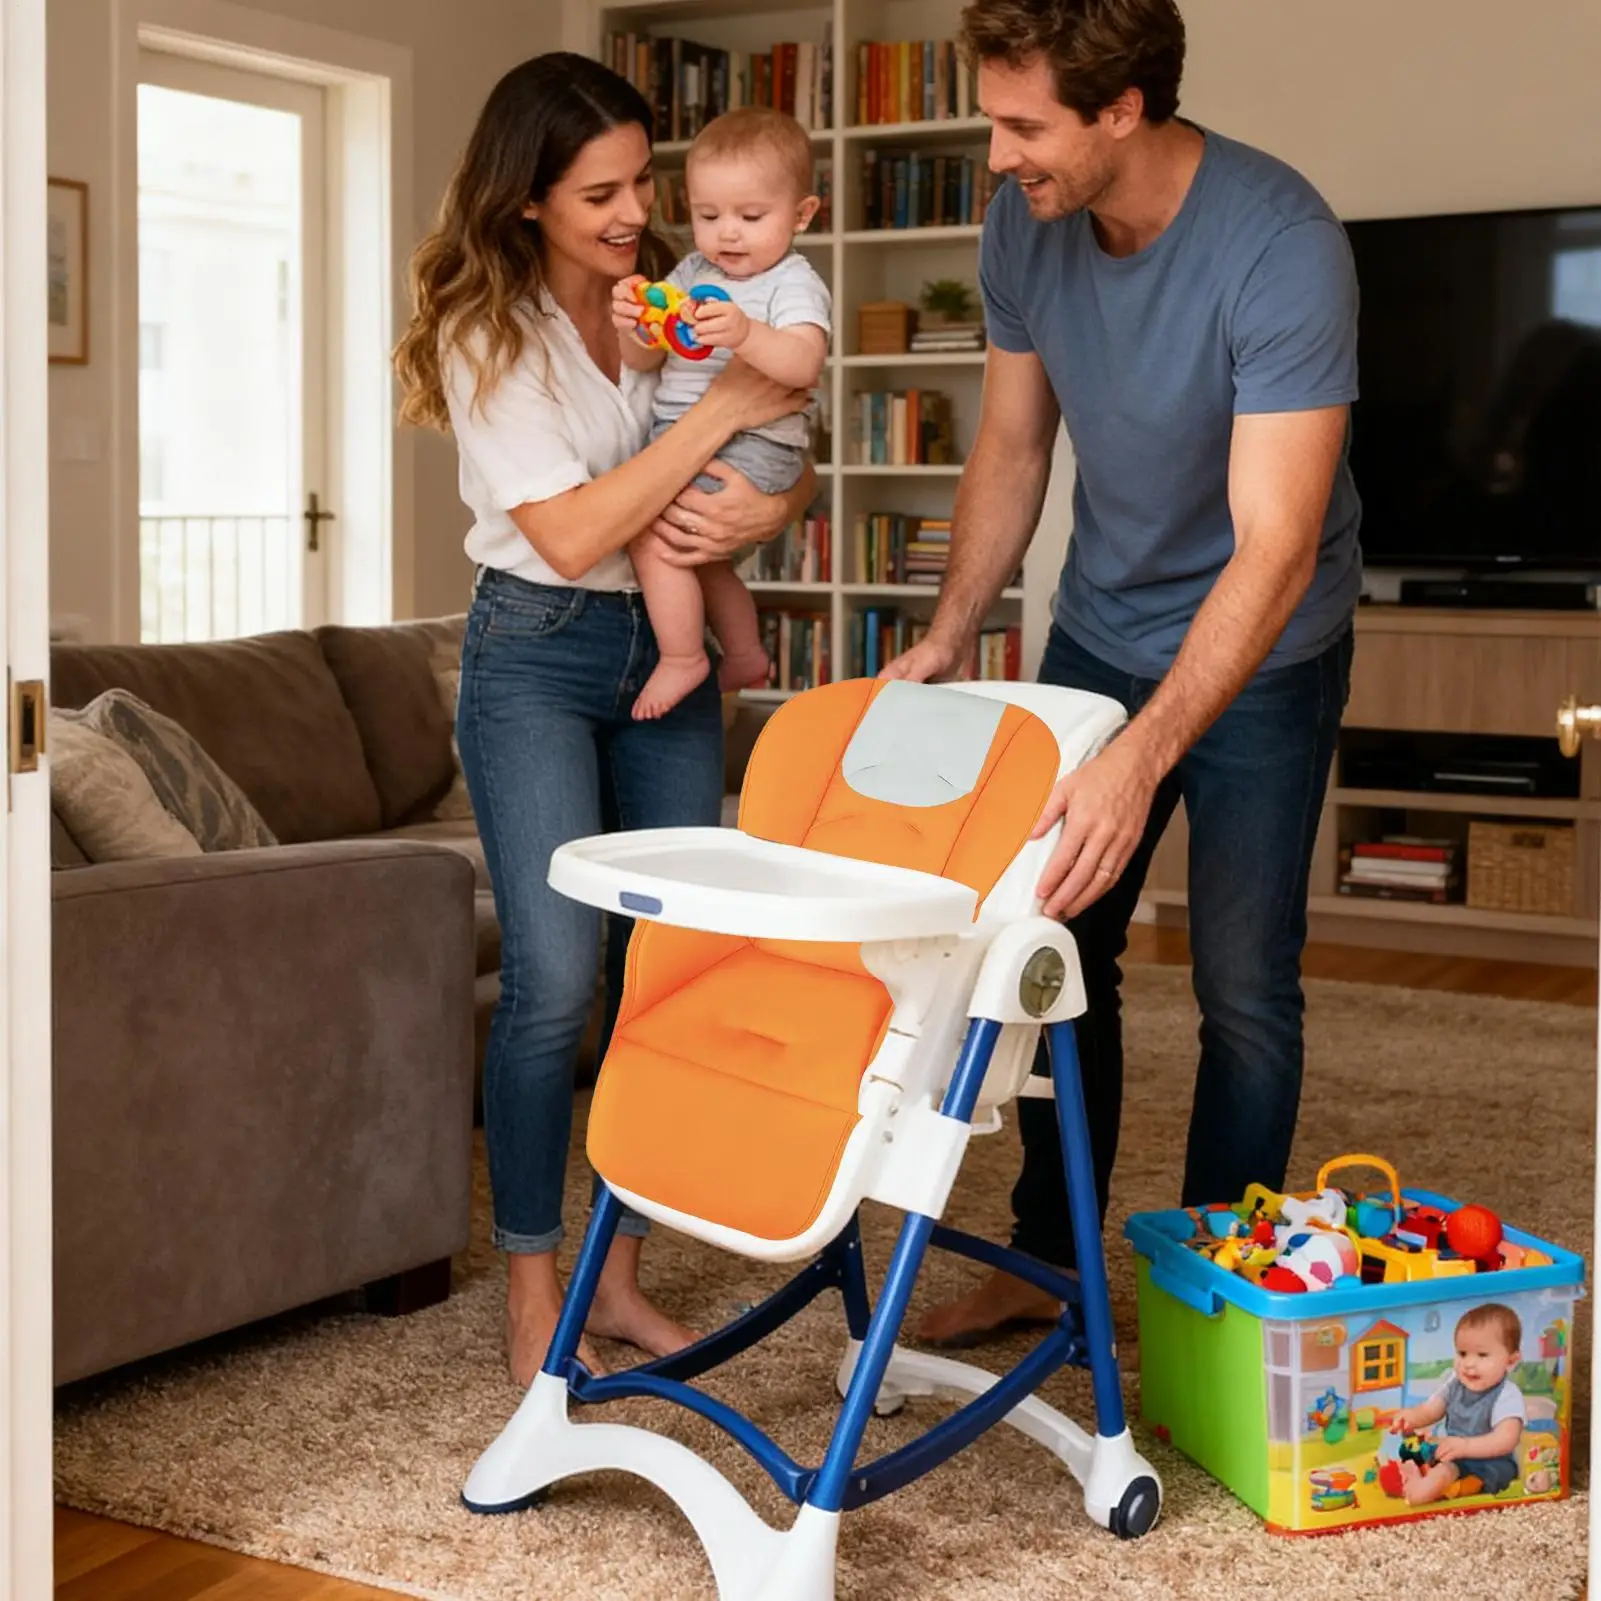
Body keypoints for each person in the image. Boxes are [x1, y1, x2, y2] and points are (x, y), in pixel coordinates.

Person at [882, 0, 1361, 1346]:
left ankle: (1219, 1301)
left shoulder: (1279, 241)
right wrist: (953, 625)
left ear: (1122, 108)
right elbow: (1014, 449)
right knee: (1055, 952)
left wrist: (1136, 760)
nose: (993, 155)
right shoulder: (1021, 225)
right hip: (1099, 630)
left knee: (1244, 985)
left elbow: (1273, 546)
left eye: (1022, 124)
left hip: (1267, 644)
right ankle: (1048, 1265)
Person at [393, 52, 814, 1385]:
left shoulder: (678, 297)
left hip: (664, 656)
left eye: (643, 179)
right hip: (538, 652)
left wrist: (773, 501)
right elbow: (574, 532)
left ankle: (616, 1278)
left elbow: (761, 442)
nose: (637, 209)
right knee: (557, 983)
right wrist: (730, 418)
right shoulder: (490, 332)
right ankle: (533, 1286)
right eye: (601, 191)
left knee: (674, 973)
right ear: (528, 200)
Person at [613, 106, 832, 719]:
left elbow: (803, 363)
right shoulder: (693, 270)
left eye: (750, 216)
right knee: (700, 560)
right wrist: (635, 326)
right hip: (687, 434)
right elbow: (649, 360)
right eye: (708, 216)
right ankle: (743, 652)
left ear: (802, 214)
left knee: (654, 540)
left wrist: (745, 333)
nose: (727, 233)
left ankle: (685, 658)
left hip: (753, 442)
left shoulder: (793, 283)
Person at [1390, 1305, 1526, 1504]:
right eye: (1462, 1353)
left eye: (1482, 1355)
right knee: (1428, 1455)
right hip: (1454, 1454)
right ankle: (1418, 1475)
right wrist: (1411, 1416)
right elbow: (1431, 1410)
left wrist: (1466, 1446)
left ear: (1511, 1361)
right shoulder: (1455, 1383)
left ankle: (1423, 1491)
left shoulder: (1507, 1394)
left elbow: (1506, 1439)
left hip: (1490, 1462)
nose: (1469, 1363)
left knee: (1448, 1472)